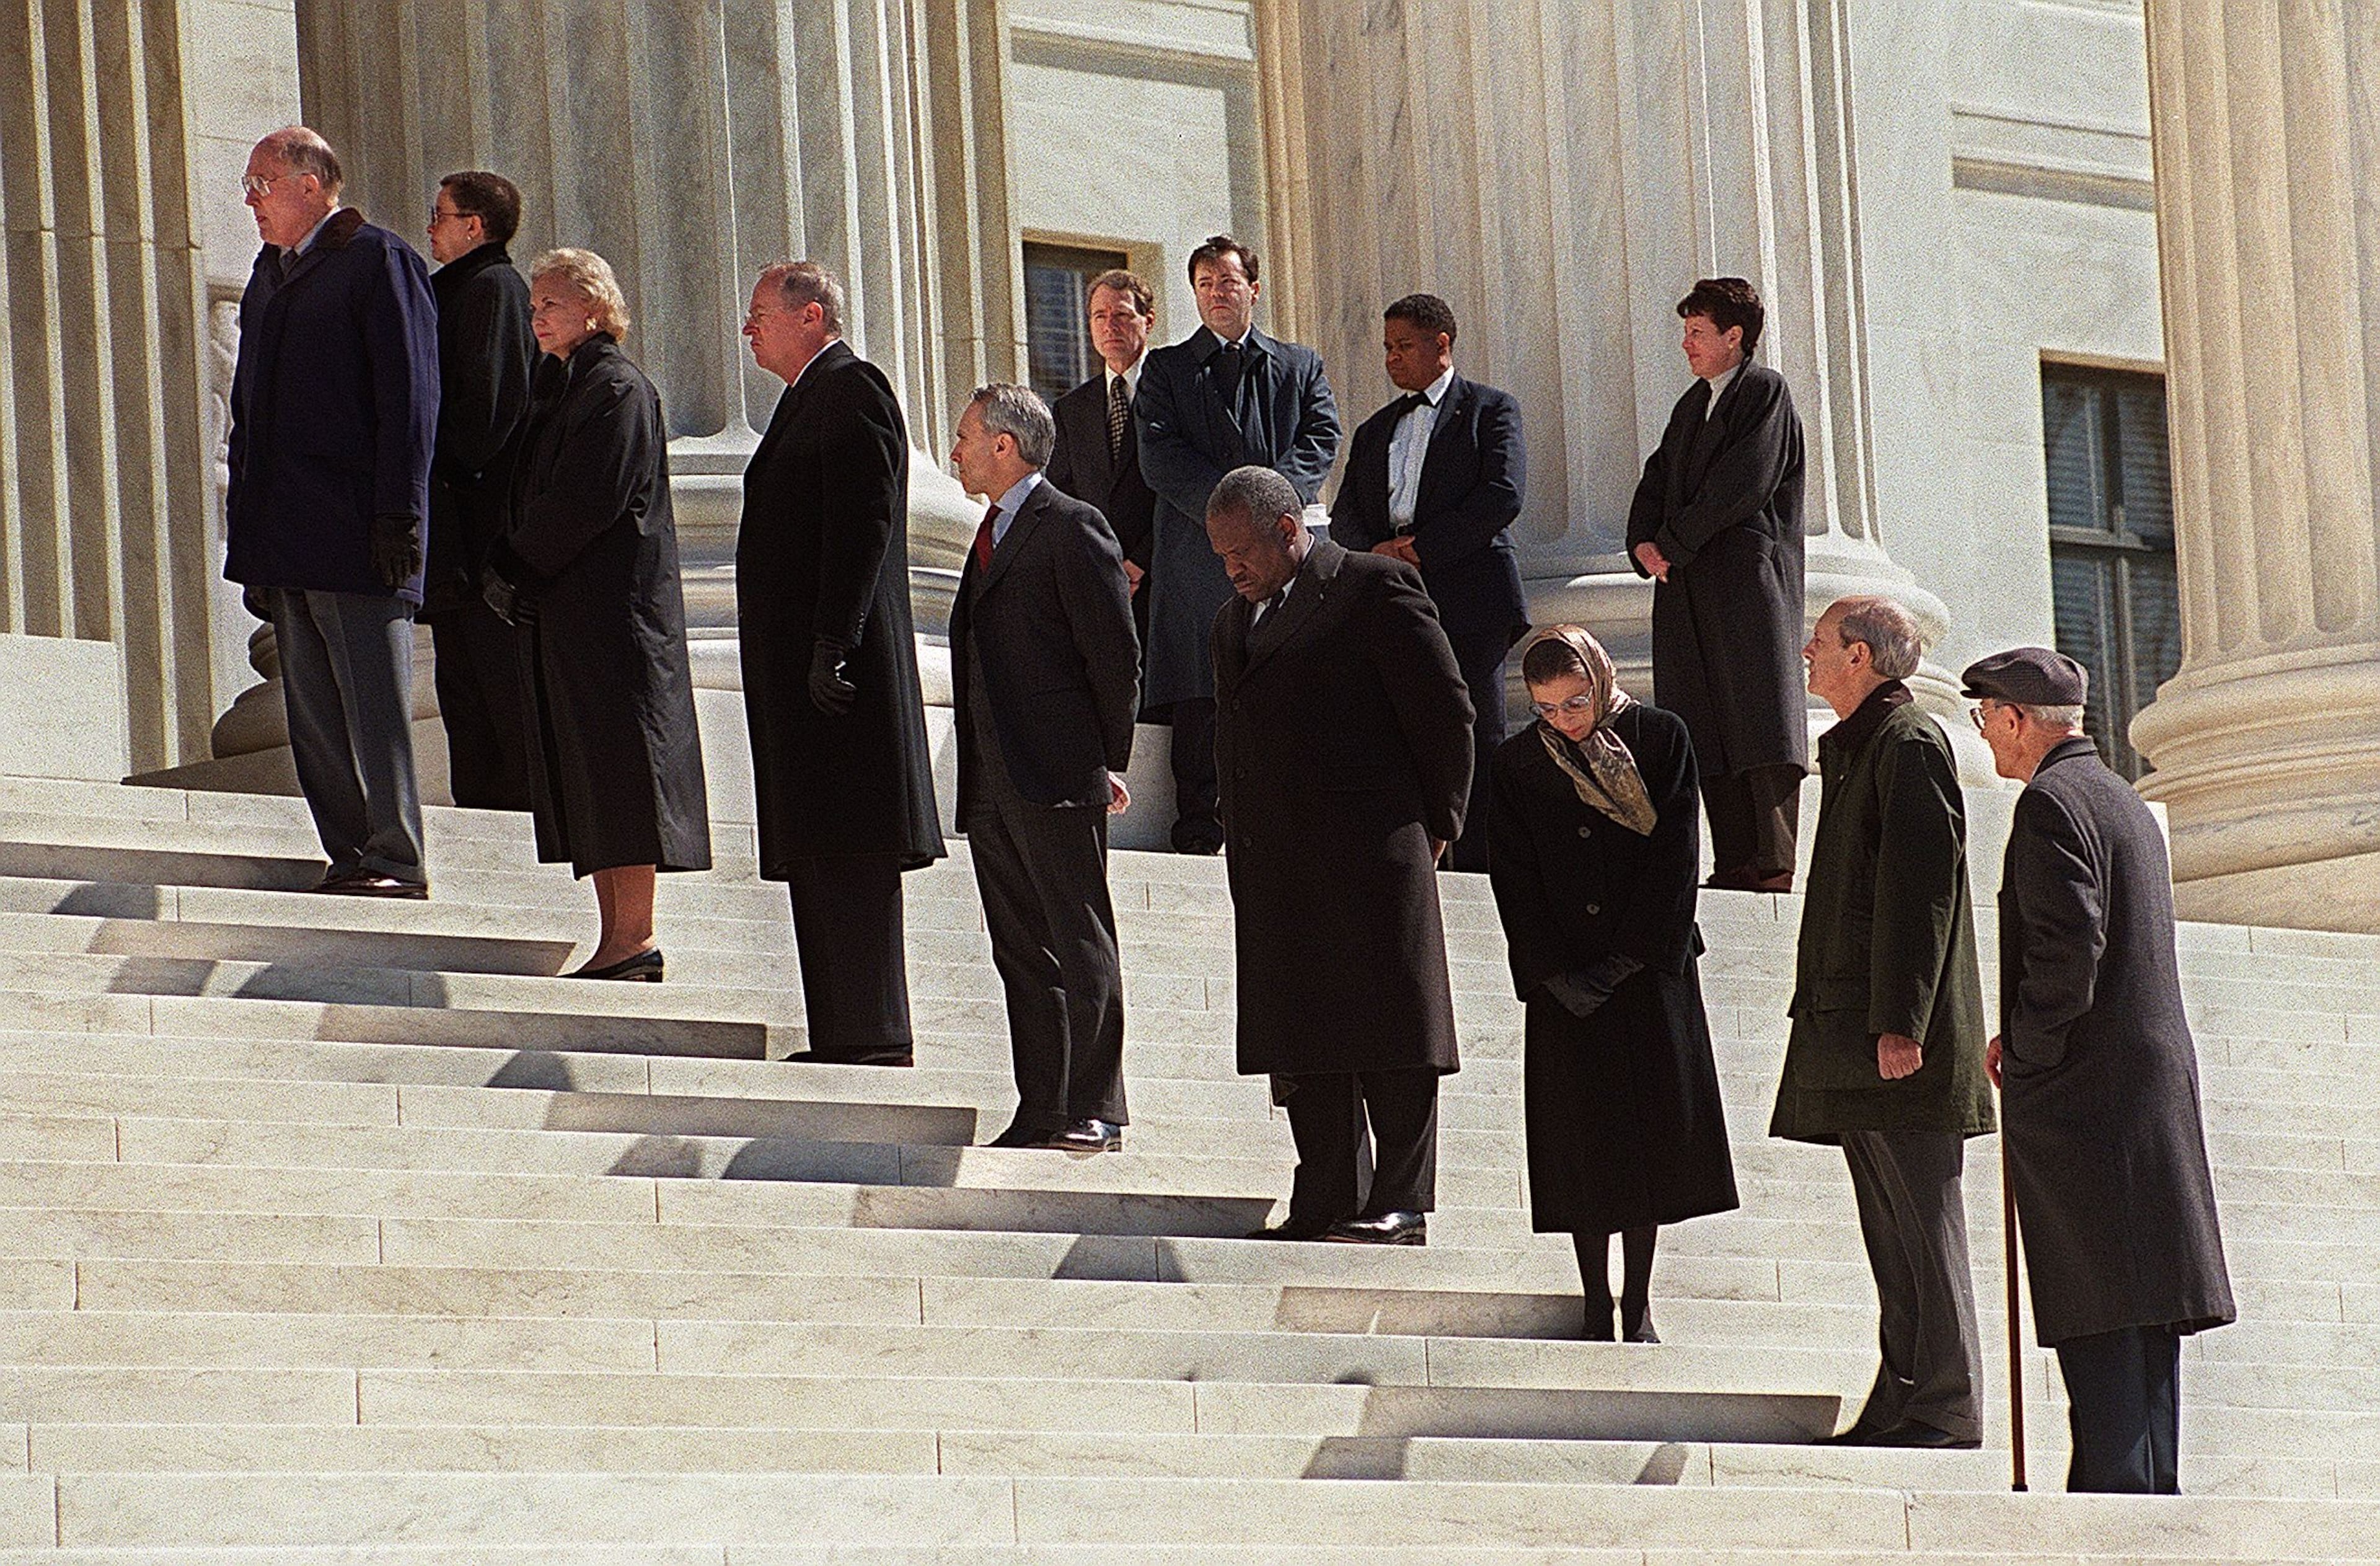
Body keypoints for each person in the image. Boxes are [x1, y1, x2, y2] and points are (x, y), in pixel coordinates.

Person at [1967, 647, 2236, 1493]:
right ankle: (2146, 1519)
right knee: (2141, 1341)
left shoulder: (2052, 804)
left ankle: (2119, 1524)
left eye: (1985, 716)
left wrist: (2028, 1047)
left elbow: (2068, 949)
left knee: (2107, 1341)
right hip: (2138, 1097)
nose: (1983, 733)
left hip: (2091, 1105)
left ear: (2015, 719)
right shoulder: (2118, 797)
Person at [1208, 466, 1473, 1245]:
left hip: (1371, 852)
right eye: (1221, 556)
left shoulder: (1373, 589)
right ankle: (1324, 1194)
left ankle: (1401, 1199)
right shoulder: (1232, 623)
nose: (1233, 569)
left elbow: (1444, 708)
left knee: (1393, 1034)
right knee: (1303, 1036)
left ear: (1290, 530)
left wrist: (1438, 822)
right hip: (1277, 864)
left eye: (1244, 551)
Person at [1774, 595, 1995, 1448]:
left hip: (1899, 1043)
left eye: (1822, 642)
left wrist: (1902, 1021)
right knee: (1893, 1235)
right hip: (1858, 1035)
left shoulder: (1909, 744)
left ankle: (1947, 1401)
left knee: (1924, 1234)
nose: (1807, 651)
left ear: (1860, 656)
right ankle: (1906, 1396)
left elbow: (1923, 890)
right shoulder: (1867, 746)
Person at [1485, 625, 1739, 1341]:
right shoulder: (1518, 765)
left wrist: (1628, 958)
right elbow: (1516, 877)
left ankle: (1640, 1299)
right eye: (1546, 709)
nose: (1564, 722)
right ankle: (1596, 1299)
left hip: (1646, 971)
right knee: (1582, 1144)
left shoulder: (1660, 740)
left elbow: (1677, 855)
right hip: (1566, 981)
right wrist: (1550, 974)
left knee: (1648, 1141)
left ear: (1599, 682)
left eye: (1574, 703)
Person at [480, 248, 712, 980]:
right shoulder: (565, 387)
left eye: (550, 304)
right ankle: (617, 937)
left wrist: (515, 564)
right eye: (534, 306)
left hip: (615, 622)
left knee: (621, 777)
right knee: (593, 778)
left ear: (592, 308)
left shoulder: (615, 389)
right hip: (575, 617)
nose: (537, 317)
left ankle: (635, 939)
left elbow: (588, 495)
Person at [737, 260, 945, 1066]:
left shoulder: (854, 389)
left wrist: (835, 641)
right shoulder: (804, 402)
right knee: (819, 856)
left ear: (811, 315)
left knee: (850, 856)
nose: (748, 328)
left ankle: (875, 1032)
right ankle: (842, 1032)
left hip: (841, 683)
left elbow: (864, 522)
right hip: (808, 684)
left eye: (760, 312)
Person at [224, 126, 439, 898]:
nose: (249, 199)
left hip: (356, 531)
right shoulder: (268, 277)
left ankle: (397, 857)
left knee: (374, 703)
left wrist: (399, 518)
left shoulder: (378, 260)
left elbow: (410, 399)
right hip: (287, 536)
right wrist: (247, 542)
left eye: (261, 182)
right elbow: (248, 418)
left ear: (309, 186)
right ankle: (352, 854)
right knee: (312, 715)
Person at [948, 384, 1140, 1152]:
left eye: (965, 437)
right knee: (1020, 948)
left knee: (1079, 939)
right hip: (992, 779)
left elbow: (1115, 655)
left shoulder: (1072, 525)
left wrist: (1108, 761)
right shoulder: (987, 532)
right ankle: (1043, 1106)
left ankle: (1099, 1106)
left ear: (1005, 445)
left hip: (1056, 772)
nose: (954, 450)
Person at [1136, 235, 1341, 854]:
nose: (1217, 294)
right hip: (1199, 554)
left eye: (1228, 282)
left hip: (1280, 555)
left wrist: (1270, 506)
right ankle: (1199, 826)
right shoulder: (1168, 370)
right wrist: (1231, 517)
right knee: (1202, 688)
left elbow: (1321, 436)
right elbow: (1159, 456)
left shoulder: (1299, 366)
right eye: (1204, 284)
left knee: (1280, 679)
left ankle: (1282, 818)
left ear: (1253, 288)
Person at [1332, 293, 1528, 872]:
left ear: (1442, 345)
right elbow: (1344, 515)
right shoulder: (1374, 430)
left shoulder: (1492, 409)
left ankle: (1478, 858)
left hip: (1470, 592)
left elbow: (1503, 494)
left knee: (1477, 724)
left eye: (1404, 346)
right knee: (1398, 725)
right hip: (1392, 595)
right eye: (1387, 348)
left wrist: (1421, 548)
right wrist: (1376, 552)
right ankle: (1411, 852)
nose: (1392, 358)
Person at [1626, 277, 1809, 893]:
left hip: (1744, 585)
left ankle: (1772, 860)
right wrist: (1642, 544)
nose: (1687, 344)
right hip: (1688, 586)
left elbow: (1743, 482)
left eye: (1698, 333)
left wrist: (1669, 545)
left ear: (1735, 337)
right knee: (1703, 720)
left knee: (1757, 717)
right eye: (1686, 332)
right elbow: (1656, 481)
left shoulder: (1764, 392)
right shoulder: (1692, 405)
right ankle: (1732, 860)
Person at [423, 170, 536, 812]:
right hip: (458, 543)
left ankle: (511, 821)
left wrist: (426, 451)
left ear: (475, 226)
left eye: (440, 214)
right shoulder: (458, 291)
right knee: (464, 697)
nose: (431, 226)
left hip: (481, 538)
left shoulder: (492, 290)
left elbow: (483, 416)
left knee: (496, 698)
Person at [1044, 268, 1158, 673]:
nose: (1110, 326)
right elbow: (1063, 498)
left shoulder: (1173, 394)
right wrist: (1099, 564)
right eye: (1099, 316)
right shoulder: (1070, 410)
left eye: (1122, 315)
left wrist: (1140, 561)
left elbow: (1177, 492)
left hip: (1161, 584)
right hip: (1096, 588)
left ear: (1149, 320)